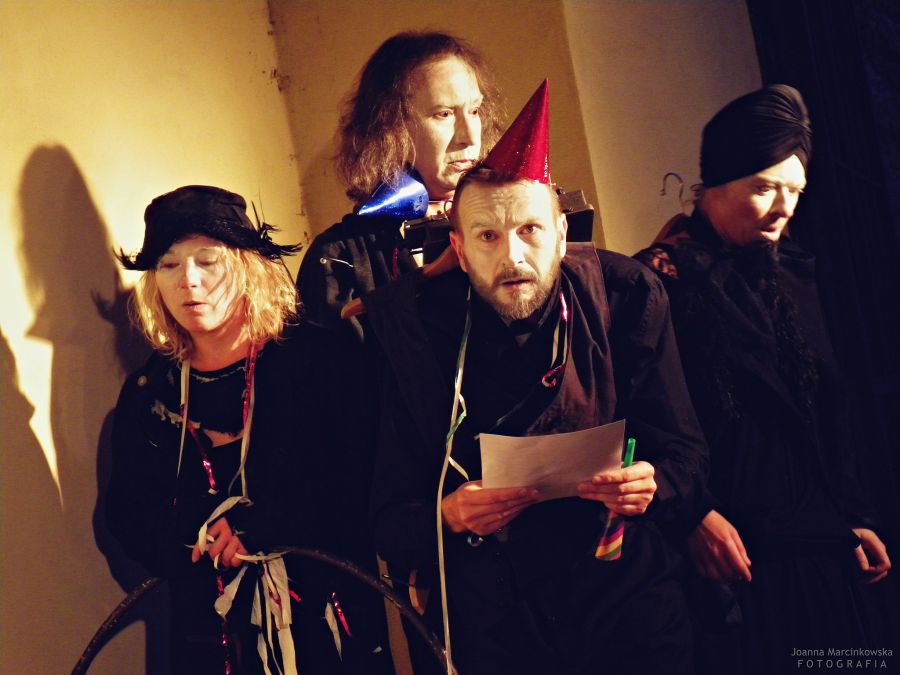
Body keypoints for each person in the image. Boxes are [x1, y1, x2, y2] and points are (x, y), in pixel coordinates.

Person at [366, 83, 708, 675]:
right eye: (488, 237)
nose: (513, 257)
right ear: (460, 250)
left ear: (562, 234)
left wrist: (652, 484)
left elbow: (689, 458)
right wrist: (449, 515)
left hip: (626, 600)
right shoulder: (421, 331)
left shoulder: (625, 297)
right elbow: (389, 518)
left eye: (529, 230)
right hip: (499, 615)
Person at [634, 85, 892, 674]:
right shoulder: (660, 281)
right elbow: (647, 416)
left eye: (794, 190)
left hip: (822, 545)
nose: (784, 207)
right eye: (764, 188)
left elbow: (829, 410)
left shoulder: (795, 274)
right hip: (734, 559)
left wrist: (854, 514)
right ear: (714, 185)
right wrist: (691, 514)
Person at [106, 185, 393, 674]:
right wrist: (200, 535)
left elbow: (368, 481)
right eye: (169, 265)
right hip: (210, 636)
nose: (188, 281)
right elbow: (128, 515)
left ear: (246, 267)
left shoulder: (321, 361)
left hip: (330, 624)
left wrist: (266, 525)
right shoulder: (151, 390)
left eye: (207, 261)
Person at [297, 30, 503, 341]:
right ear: (390, 128)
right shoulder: (339, 259)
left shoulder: (519, 225)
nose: (470, 136)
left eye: (474, 110)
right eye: (444, 114)